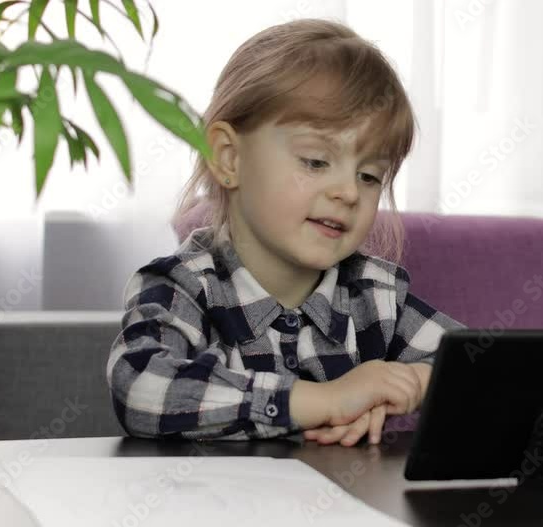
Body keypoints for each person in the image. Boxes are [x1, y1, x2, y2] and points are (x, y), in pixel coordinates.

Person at [106, 19, 465, 447]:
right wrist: (325, 400)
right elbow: (140, 386)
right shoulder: (184, 288)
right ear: (229, 158)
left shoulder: (375, 295)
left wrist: (413, 382)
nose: (349, 192)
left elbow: (490, 368)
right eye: (315, 161)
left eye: (369, 176)